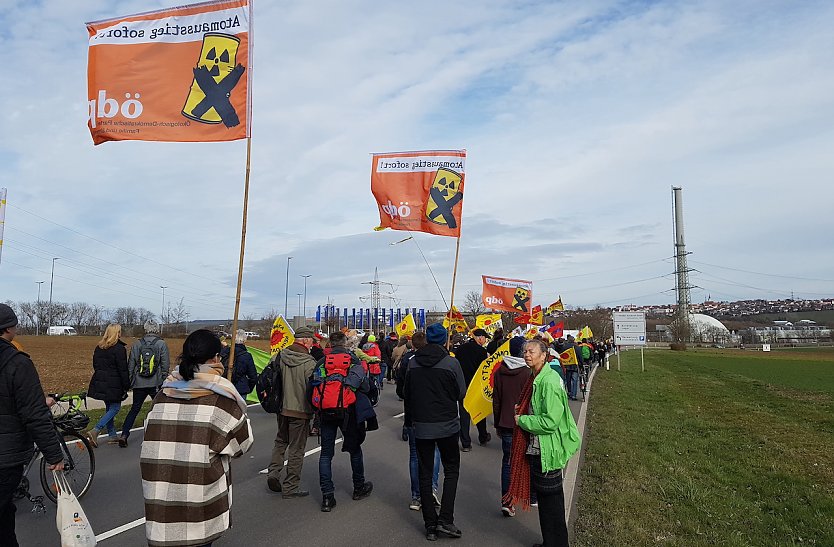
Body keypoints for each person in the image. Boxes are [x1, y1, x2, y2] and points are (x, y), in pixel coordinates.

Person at [141, 329, 253, 547]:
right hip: (198, 506)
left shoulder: (162, 395)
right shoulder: (221, 401)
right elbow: (243, 444)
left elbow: (148, 431)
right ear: (214, 359)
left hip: (160, 502)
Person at [506, 338, 581, 547]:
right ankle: (551, 541)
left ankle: (557, 543)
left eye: (531, 351)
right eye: (525, 351)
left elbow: (550, 421)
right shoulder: (536, 376)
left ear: (543, 355)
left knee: (552, 502)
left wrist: (522, 420)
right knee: (549, 501)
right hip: (540, 447)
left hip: (547, 449)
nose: (527, 355)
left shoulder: (548, 381)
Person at [0, 304, 64, 546]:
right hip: (5, 459)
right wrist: (54, 454)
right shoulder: (17, 362)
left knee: (5, 513)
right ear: (9, 328)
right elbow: (34, 414)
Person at [404, 323, 466, 541]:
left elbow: (406, 393)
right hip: (447, 424)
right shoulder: (451, 363)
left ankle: (430, 524)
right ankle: (445, 519)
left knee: (425, 472)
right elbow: (461, 392)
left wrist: (409, 422)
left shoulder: (413, 364)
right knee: (451, 470)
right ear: (444, 340)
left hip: (421, 426)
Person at [317, 331, 374, 512]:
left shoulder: (321, 362)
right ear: (344, 342)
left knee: (326, 454)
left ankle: (327, 497)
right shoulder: (353, 360)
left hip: (326, 411)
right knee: (355, 449)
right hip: (349, 410)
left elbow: (313, 384)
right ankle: (359, 487)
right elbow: (364, 385)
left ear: (330, 344)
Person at [267, 325, 318, 499]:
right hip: (300, 411)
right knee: (297, 449)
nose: (312, 344)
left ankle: (273, 473)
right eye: (311, 340)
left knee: (280, 441)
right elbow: (313, 389)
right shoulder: (309, 362)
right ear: (305, 340)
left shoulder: (279, 356)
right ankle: (290, 486)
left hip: (281, 408)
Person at [396, 332, 442, 511]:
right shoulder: (443, 359)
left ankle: (416, 496)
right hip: (436, 415)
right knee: (435, 451)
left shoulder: (409, 360)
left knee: (415, 455)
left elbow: (401, 390)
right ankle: (431, 488)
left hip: (414, 413)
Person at [492, 336, 530, 517]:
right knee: (525, 460)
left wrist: (498, 422)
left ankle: (507, 501)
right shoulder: (528, 372)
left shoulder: (500, 370)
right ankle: (526, 494)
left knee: (507, 461)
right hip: (524, 423)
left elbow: (496, 400)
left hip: (506, 423)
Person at [118, 320, 170, 447]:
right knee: (159, 409)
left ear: (145, 329)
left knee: (135, 409)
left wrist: (130, 382)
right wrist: (163, 380)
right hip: (155, 383)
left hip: (139, 383)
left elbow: (131, 364)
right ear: (156, 329)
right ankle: (161, 436)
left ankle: (124, 435)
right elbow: (165, 365)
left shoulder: (137, 344)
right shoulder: (161, 344)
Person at [86, 323, 129, 447]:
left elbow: (95, 365)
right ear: (117, 333)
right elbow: (123, 369)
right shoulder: (119, 348)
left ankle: (112, 435)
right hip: (114, 382)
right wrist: (126, 385)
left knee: (109, 407)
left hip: (100, 381)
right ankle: (96, 430)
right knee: (115, 408)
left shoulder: (99, 347)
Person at [455, 329, 492, 450]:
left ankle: (466, 443)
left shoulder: (460, 349)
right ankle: (483, 436)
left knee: (464, 415)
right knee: (479, 412)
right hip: (475, 386)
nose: (485, 340)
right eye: (484, 338)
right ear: (480, 338)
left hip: (462, 385)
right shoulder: (481, 351)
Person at [220, 330, 258, 397]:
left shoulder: (224, 352)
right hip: (240, 390)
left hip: (224, 387)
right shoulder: (246, 356)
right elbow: (253, 377)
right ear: (244, 340)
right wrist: (248, 387)